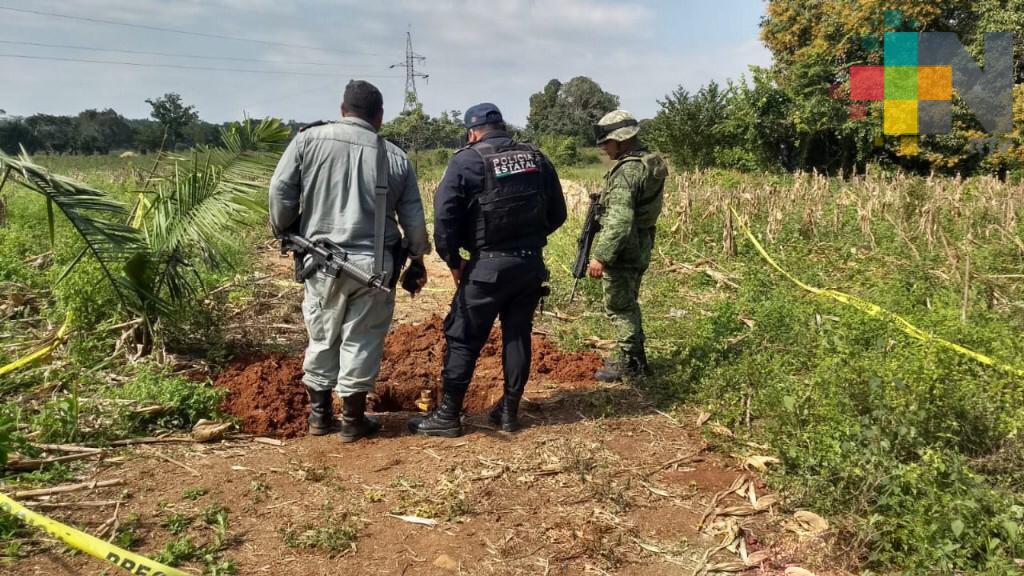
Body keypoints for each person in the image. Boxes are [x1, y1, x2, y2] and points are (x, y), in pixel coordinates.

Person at [269, 80, 430, 443]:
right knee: (362, 339)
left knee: (322, 334)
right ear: (380, 116)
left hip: (320, 260)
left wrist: (285, 227)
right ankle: (353, 421)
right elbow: (414, 221)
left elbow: (280, 190)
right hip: (375, 268)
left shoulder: (307, 140)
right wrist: (417, 258)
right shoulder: (395, 157)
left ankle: (319, 417)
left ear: (343, 110)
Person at [408, 103, 567, 437]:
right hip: (530, 264)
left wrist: (454, 261)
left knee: (463, 336)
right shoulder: (537, 158)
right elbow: (558, 214)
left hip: (488, 267)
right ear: (503, 127)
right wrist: (527, 240)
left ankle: (448, 415)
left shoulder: (466, 161)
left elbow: (444, 218)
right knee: (517, 334)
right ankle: (509, 412)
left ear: (472, 133)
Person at [587, 110, 668, 382]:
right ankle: (636, 358)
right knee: (629, 302)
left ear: (621, 141)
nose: (604, 148)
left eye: (607, 142)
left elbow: (620, 221)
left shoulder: (627, 171)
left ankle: (631, 363)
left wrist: (601, 256)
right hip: (640, 243)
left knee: (620, 306)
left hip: (624, 248)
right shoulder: (647, 161)